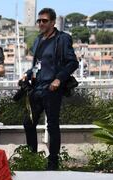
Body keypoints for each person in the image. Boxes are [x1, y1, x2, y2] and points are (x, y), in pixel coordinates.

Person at [23, 8, 79, 170]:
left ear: (53, 22)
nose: (41, 23)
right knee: (28, 122)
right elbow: (37, 64)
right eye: (39, 21)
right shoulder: (38, 40)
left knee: (52, 125)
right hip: (37, 87)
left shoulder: (62, 39)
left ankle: (53, 162)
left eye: (44, 21)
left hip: (53, 89)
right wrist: (27, 75)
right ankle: (31, 158)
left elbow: (72, 62)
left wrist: (58, 79)